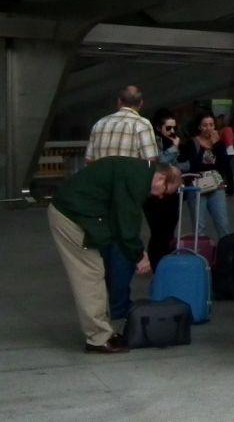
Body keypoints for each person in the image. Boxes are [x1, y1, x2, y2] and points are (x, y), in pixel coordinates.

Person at [48, 157, 182, 353]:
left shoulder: (137, 170)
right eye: (164, 192)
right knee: (89, 275)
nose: (161, 197)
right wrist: (139, 256)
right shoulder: (136, 180)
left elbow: (121, 221)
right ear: (161, 178)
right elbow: (126, 225)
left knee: (95, 272)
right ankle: (97, 338)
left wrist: (135, 251)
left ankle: (103, 331)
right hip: (71, 217)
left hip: (75, 212)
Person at [84, 85, 159, 321]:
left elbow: (89, 160)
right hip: (125, 195)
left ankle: (104, 301)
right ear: (141, 104)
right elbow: (150, 161)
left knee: (104, 247)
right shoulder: (141, 124)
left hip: (99, 195)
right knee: (124, 246)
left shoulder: (100, 124)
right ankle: (119, 305)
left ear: (118, 102)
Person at [178, 112, 234, 241]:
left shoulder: (218, 143)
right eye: (205, 125)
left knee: (223, 223)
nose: (209, 128)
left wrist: (217, 145)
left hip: (216, 186)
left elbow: (224, 164)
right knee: (199, 225)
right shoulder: (193, 143)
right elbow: (193, 164)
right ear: (199, 127)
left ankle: (227, 253)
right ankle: (200, 252)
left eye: (211, 125)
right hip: (198, 186)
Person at [144, 109, 183, 271]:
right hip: (154, 193)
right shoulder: (154, 143)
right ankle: (156, 263)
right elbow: (158, 163)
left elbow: (178, 165)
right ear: (159, 128)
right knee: (158, 230)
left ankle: (165, 262)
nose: (172, 132)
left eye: (174, 128)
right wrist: (173, 149)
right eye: (168, 128)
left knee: (169, 229)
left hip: (171, 192)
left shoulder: (172, 143)